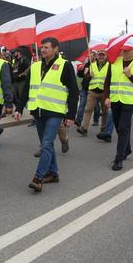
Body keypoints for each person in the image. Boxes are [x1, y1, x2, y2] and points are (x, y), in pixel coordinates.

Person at [15, 37, 79, 192]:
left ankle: (38, 177)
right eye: (41, 47)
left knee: (46, 144)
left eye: (46, 47)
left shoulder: (65, 65)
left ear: (56, 49)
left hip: (55, 112)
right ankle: (53, 173)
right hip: (38, 111)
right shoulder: (35, 66)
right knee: (47, 145)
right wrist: (19, 108)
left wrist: (71, 115)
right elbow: (26, 89)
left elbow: (74, 91)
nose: (43, 50)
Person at [103, 37, 133, 170]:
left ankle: (119, 158)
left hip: (129, 100)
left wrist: (130, 76)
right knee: (119, 127)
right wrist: (107, 97)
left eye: (128, 50)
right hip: (115, 99)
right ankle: (127, 148)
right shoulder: (114, 62)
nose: (125, 52)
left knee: (123, 127)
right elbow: (107, 81)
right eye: (124, 50)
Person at [78, 49, 109, 136]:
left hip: (104, 92)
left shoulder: (109, 66)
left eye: (103, 55)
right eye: (99, 55)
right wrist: (87, 74)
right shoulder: (92, 65)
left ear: (106, 56)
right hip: (93, 91)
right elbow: (87, 78)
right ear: (97, 57)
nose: (101, 57)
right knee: (88, 110)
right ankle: (84, 128)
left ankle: (103, 128)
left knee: (105, 111)